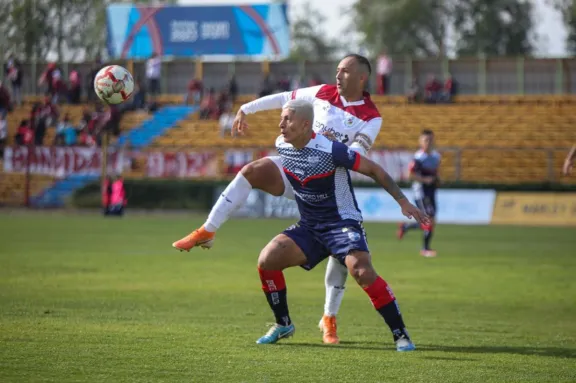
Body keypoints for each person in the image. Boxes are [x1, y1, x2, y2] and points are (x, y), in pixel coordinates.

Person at [172, 54, 383, 345]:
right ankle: (207, 230)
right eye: (336, 69)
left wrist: (324, 149)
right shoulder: (322, 92)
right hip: (295, 169)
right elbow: (285, 97)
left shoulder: (371, 116)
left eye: (344, 71)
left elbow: (357, 156)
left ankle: (329, 318)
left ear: (362, 77)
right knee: (252, 170)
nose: (337, 75)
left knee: (342, 253)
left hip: (328, 185)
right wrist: (247, 108)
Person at [253, 99, 428, 350]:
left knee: (362, 271)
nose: (280, 124)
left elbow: (374, 170)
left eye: (287, 119)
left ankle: (400, 334)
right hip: (310, 226)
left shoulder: (331, 150)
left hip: (341, 223)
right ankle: (283, 324)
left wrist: (403, 201)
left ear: (304, 124)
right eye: (281, 118)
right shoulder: (282, 145)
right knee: (266, 260)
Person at [397, 130, 441, 257]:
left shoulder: (436, 156)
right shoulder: (418, 158)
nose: (428, 143)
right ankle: (425, 249)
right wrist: (424, 180)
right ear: (420, 142)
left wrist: (437, 180)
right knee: (428, 218)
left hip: (432, 191)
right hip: (420, 192)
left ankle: (405, 227)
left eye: (430, 140)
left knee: (430, 220)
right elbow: (410, 175)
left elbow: (436, 171)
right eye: (426, 140)